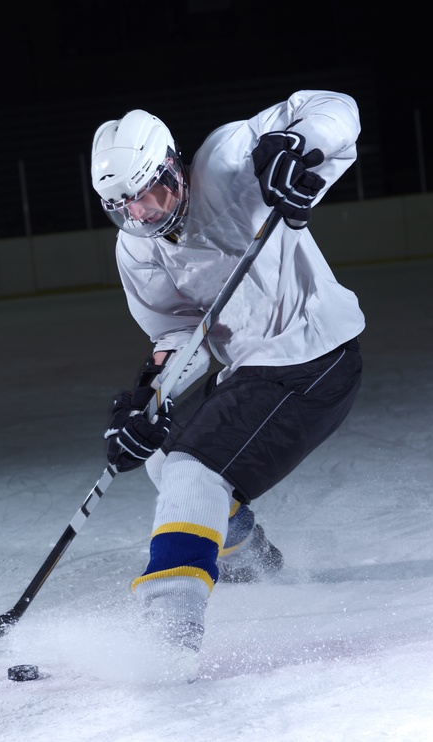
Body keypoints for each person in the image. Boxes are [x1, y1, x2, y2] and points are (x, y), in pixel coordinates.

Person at [91, 91, 365, 672]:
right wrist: (152, 400)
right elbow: (180, 335)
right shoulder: (138, 249)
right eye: (124, 206)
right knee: (167, 462)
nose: (142, 213)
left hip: (313, 355)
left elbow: (335, 109)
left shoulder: (228, 162)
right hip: (254, 369)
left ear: (175, 166)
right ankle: (250, 556)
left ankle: (169, 637)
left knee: (195, 471)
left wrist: (294, 147)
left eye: (150, 192)